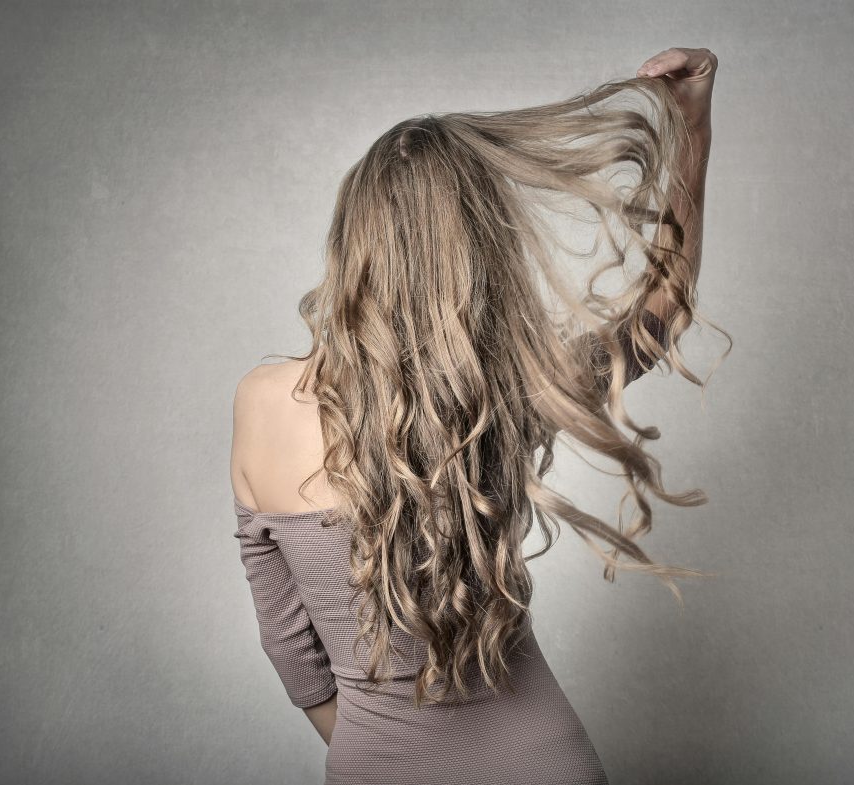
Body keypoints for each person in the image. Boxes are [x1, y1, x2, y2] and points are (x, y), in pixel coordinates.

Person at [230, 46, 719, 785]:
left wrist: (380, 742)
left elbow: (289, 642)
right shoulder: (505, 388)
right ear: (484, 247)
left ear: (352, 243)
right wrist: (692, 126)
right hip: (541, 760)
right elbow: (661, 312)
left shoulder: (262, 402)